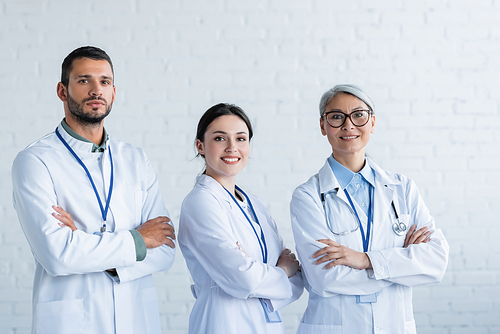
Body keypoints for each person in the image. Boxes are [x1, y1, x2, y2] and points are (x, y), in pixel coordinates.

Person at [12, 46, 176, 334]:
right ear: (63, 91)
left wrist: (84, 242)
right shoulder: (35, 161)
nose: (96, 90)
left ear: (114, 92)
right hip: (72, 322)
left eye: (105, 81)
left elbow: (165, 249)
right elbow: (57, 255)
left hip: (135, 319)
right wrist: (138, 241)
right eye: (84, 80)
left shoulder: (136, 159)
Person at [290, 84, 449, 334]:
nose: (348, 125)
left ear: (372, 122)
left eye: (358, 115)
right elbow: (325, 279)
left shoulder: (403, 189)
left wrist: (364, 260)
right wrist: (401, 264)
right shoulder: (308, 196)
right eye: (336, 117)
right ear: (323, 126)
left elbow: (436, 262)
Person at [178, 103, 303, 334]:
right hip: (223, 323)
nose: (232, 148)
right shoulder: (201, 202)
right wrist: (281, 271)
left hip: (269, 324)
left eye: (241, 139)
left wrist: (260, 274)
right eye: (219, 139)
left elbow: (297, 282)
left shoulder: (254, 204)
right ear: (200, 146)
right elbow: (243, 279)